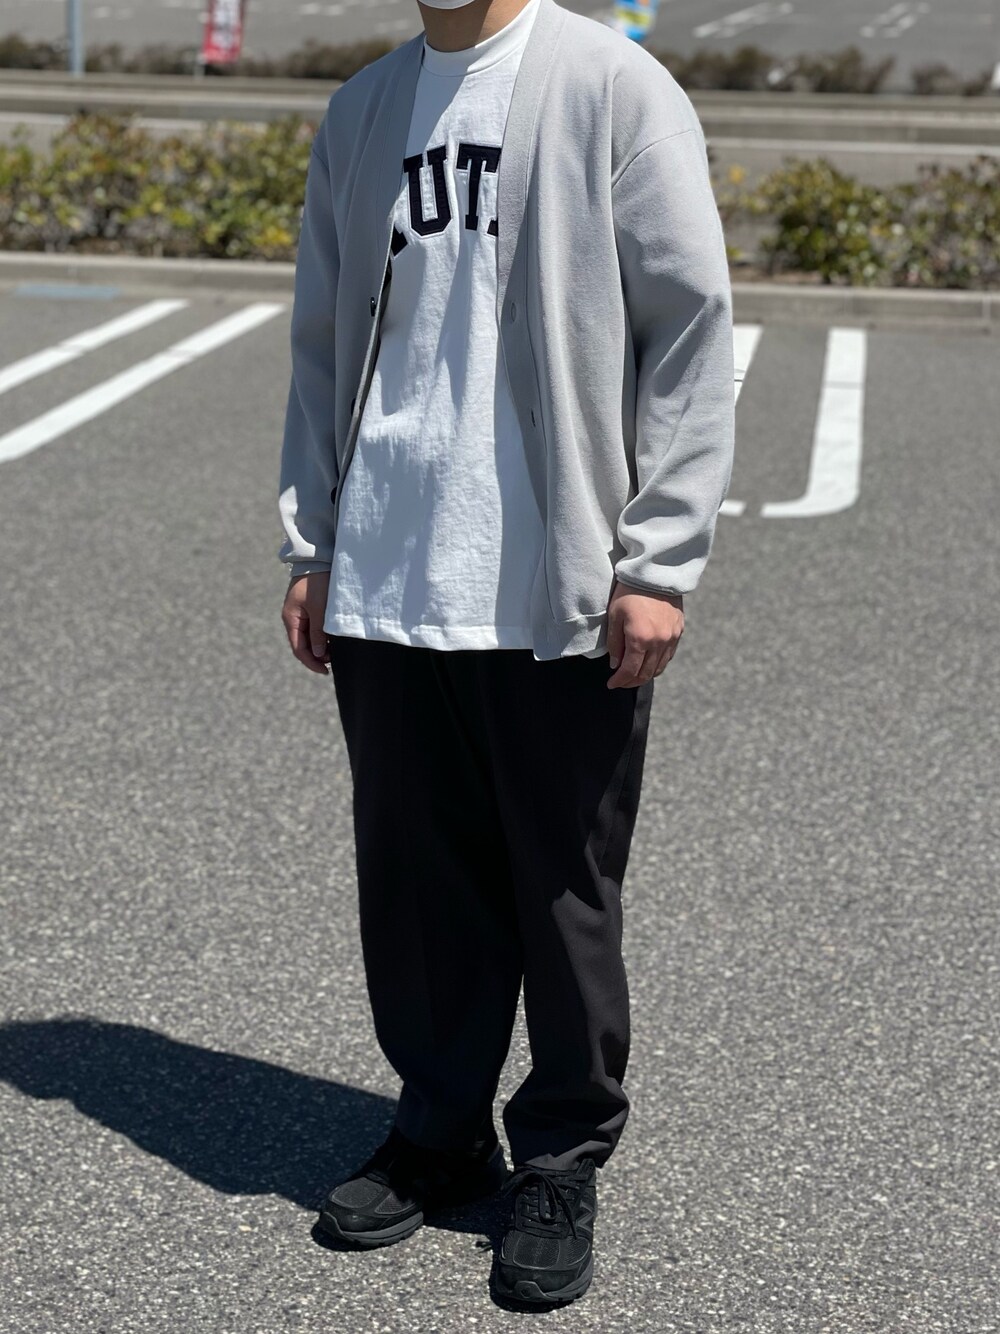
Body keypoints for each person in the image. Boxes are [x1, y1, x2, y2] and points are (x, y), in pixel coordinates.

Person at [277, 0, 734, 1309]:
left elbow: (691, 330)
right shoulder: (365, 109)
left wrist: (658, 559)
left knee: (564, 889)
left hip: (556, 580)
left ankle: (561, 1156)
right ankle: (439, 1129)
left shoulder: (610, 87)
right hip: (390, 570)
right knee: (418, 883)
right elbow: (322, 338)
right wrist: (313, 541)